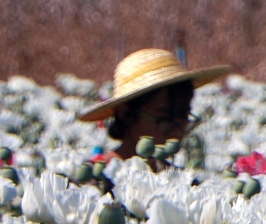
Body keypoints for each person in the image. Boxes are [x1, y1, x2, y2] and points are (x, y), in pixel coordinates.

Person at [78, 49, 229, 160]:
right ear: (125, 114)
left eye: (183, 117)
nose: (176, 134)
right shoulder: (90, 187)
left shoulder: (184, 185)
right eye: (164, 119)